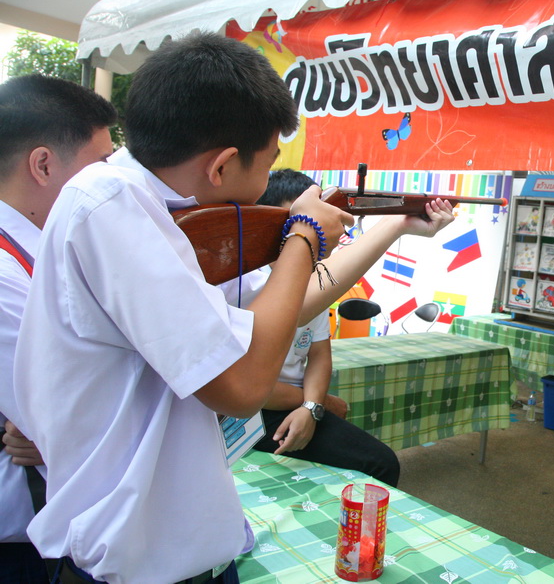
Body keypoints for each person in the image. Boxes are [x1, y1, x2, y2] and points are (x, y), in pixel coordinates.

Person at [12, 33, 454, 584]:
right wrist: (302, 236)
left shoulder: (153, 207)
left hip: (179, 548)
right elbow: (241, 386)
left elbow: (277, 315)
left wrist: (390, 226)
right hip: (133, 565)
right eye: (269, 161)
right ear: (221, 166)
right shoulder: (111, 205)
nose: (270, 178)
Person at [0, 74, 116, 583]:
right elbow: (74, 419)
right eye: (100, 168)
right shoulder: (8, 274)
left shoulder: (34, 253)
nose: (114, 186)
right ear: (44, 164)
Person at [251, 169, 400, 486]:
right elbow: (246, 385)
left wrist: (311, 408)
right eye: (303, 222)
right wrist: (317, 404)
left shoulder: (313, 280)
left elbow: (319, 356)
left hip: (300, 402)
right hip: (253, 408)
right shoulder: (249, 284)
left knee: (381, 463)